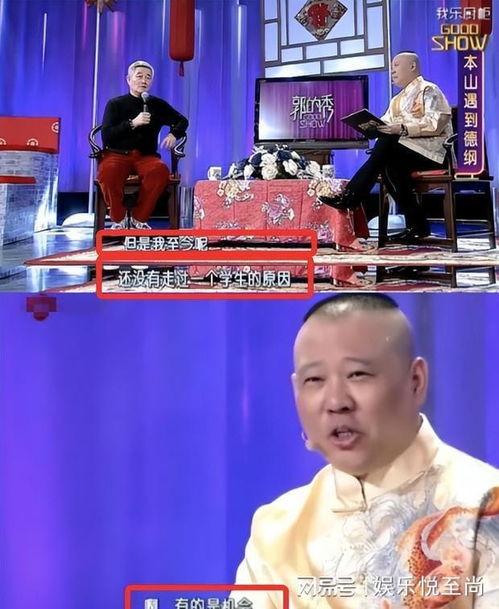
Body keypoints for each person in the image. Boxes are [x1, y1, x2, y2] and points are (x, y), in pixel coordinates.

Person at [234, 294, 499, 609]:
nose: (336, 402)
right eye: (314, 379)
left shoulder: (484, 504)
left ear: (415, 381)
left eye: (357, 374)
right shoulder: (277, 530)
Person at [320, 53, 453, 245]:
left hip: (432, 153)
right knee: (388, 163)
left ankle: (352, 196)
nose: (392, 71)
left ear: (412, 66)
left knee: (386, 144)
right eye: (392, 67)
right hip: (404, 153)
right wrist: (371, 127)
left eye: (396, 65)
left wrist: (402, 128)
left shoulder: (428, 89)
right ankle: (417, 226)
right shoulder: (396, 100)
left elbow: (436, 123)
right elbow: (385, 124)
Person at [97, 60, 188, 229]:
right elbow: (107, 136)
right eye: (139, 76)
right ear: (128, 79)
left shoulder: (157, 104)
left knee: (160, 171)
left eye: (148, 77)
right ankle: (118, 218)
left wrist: (174, 134)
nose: (144, 80)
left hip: (146, 156)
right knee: (107, 173)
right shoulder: (115, 104)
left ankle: (139, 218)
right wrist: (133, 123)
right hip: (117, 154)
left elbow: (182, 121)